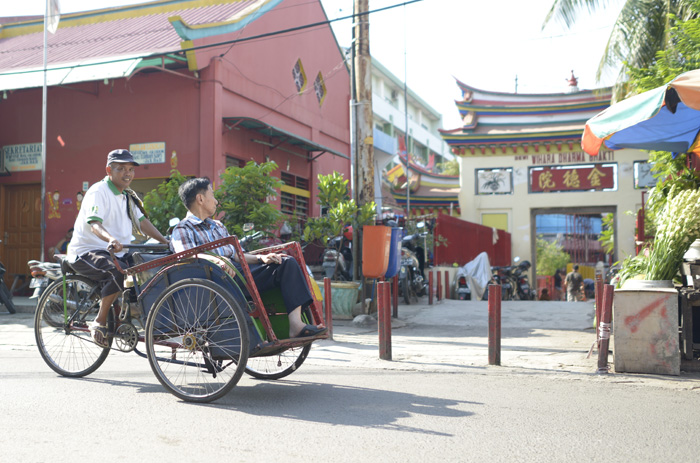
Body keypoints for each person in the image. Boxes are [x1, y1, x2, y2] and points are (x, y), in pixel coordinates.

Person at [169, 177, 326, 339]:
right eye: (212, 195)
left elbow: (237, 254)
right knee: (241, 267)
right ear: (200, 198)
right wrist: (216, 260)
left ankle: (296, 325)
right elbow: (185, 256)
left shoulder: (218, 226)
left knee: (285, 262)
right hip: (215, 282)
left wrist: (261, 258)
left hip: (237, 275)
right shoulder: (183, 228)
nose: (216, 201)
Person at [67, 149, 168, 347]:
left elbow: (143, 223)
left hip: (119, 251)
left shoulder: (128, 196)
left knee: (149, 267)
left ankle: (130, 317)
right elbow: (95, 224)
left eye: (130, 169)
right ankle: (99, 320)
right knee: (116, 272)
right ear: (109, 170)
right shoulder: (98, 191)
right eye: (121, 169)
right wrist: (111, 239)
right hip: (88, 250)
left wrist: (165, 242)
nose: (127, 173)